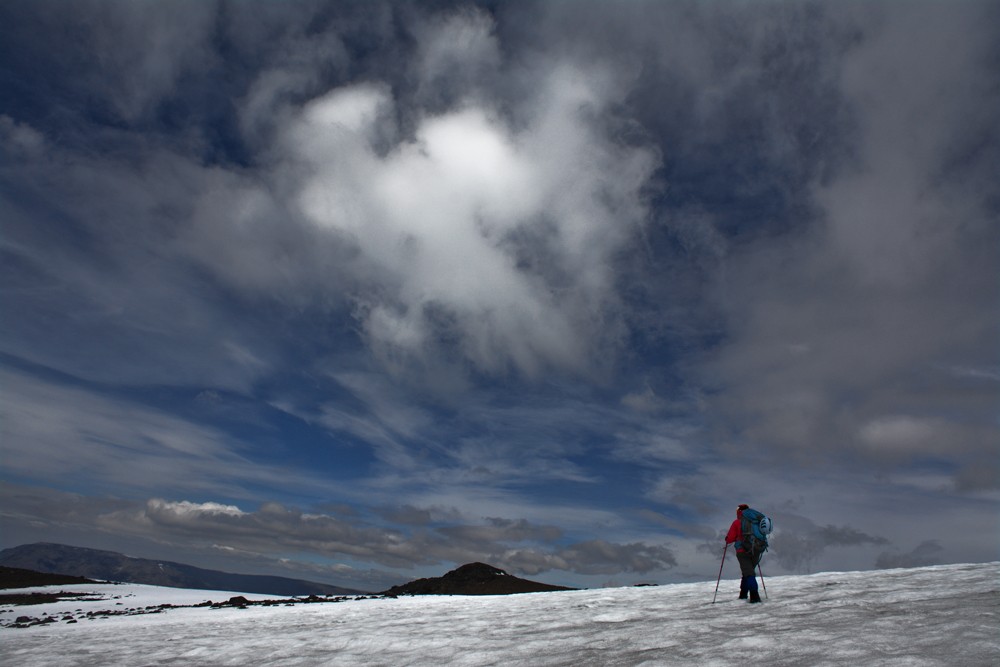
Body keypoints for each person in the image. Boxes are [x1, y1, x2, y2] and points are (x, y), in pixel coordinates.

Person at [725, 503, 762, 603]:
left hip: (742, 551)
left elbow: (730, 538)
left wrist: (727, 539)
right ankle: (743, 595)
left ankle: (755, 597)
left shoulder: (737, 522)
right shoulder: (756, 521)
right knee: (747, 572)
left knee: (749, 573)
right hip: (756, 550)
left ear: (739, 512)